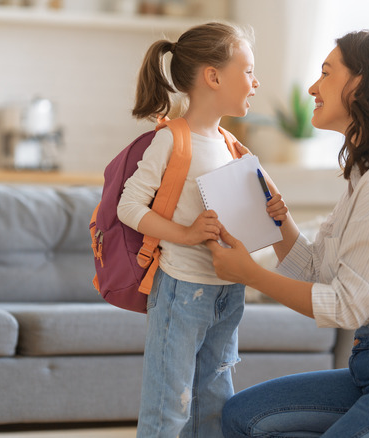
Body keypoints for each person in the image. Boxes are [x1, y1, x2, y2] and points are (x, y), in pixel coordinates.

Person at [206, 30, 369, 438]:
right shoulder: (365, 175)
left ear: (362, 84)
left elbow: (347, 306)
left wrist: (250, 274)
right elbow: (316, 270)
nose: (314, 87)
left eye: (326, 74)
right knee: (244, 416)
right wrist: (280, 224)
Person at [117, 22, 260, 438]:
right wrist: (187, 233)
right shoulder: (171, 140)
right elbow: (130, 205)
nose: (256, 81)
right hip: (182, 291)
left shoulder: (234, 146)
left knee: (214, 406)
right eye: (248, 70)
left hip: (228, 292)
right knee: (168, 408)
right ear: (213, 77)